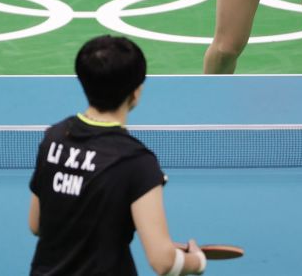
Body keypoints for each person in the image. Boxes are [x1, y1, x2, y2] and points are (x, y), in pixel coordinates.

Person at [28, 35, 207, 275]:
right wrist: (197, 260)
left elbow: (37, 224)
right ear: (136, 92)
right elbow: (163, 262)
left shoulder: (54, 137)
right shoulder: (138, 162)